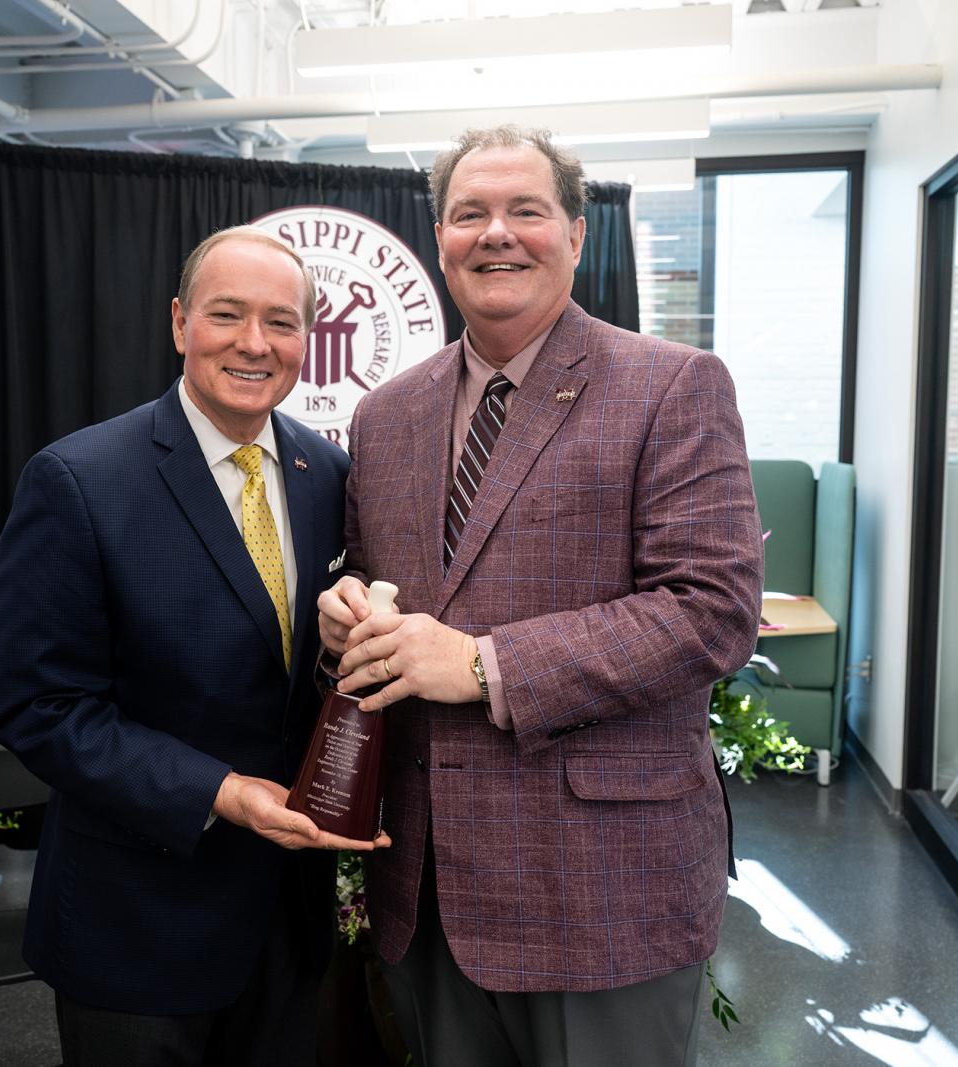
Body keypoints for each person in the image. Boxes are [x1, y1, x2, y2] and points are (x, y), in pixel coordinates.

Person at [317, 126, 764, 1066]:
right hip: (429, 885)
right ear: (439, 238)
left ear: (576, 233)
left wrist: (483, 664)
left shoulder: (671, 386)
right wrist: (347, 611)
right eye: (470, 213)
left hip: (603, 888)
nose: (498, 233)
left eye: (526, 209)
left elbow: (712, 608)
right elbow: (380, 584)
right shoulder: (384, 415)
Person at [0, 226, 387, 1067]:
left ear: (307, 340)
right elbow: (41, 710)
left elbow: (295, 672)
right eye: (227, 314)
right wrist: (223, 791)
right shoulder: (78, 480)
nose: (254, 343)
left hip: (286, 924)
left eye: (281, 322)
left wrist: (336, 646)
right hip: (136, 926)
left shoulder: (329, 473)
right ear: (179, 323)